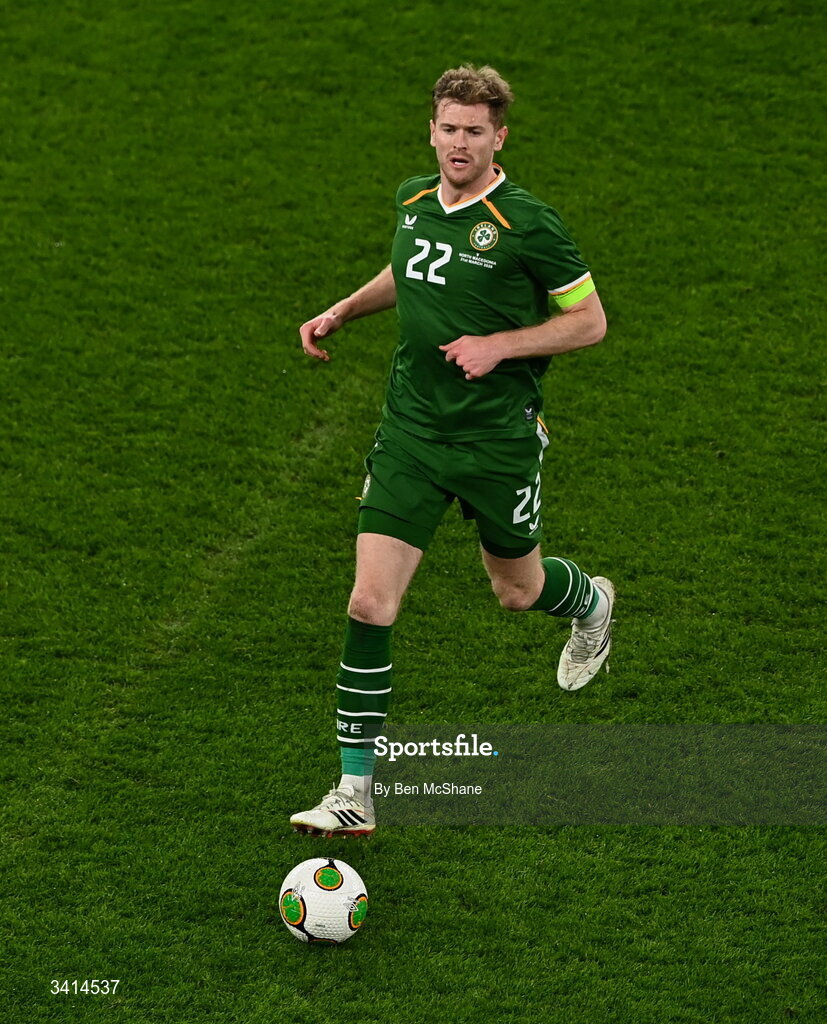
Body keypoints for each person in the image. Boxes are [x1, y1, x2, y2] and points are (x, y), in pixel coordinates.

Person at [291, 65, 613, 837]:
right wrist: (344, 308)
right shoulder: (411, 199)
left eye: (473, 131)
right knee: (369, 601)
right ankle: (354, 790)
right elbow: (410, 271)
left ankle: (592, 602)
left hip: (496, 439)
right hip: (410, 431)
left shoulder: (527, 223)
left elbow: (589, 321)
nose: (457, 143)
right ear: (431, 130)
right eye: (447, 128)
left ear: (498, 137)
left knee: (516, 591)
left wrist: (501, 344)